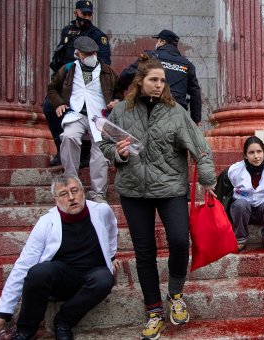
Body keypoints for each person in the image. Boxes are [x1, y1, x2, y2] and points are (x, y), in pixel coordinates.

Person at [99, 54, 217, 340]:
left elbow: (199, 146)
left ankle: (175, 294)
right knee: (145, 251)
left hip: (170, 188)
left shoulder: (176, 111)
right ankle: (153, 310)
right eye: (154, 80)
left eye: (162, 81)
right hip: (134, 190)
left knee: (179, 241)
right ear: (140, 82)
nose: (159, 85)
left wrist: (207, 179)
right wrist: (118, 153)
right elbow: (104, 143)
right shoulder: (120, 113)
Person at [0, 175, 118, 340]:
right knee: (39, 271)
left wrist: (111, 256)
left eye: (75, 191)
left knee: (105, 278)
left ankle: (64, 321)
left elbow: (111, 231)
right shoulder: (46, 222)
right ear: (56, 199)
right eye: (64, 194)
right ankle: (25, 329)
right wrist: (2, 312)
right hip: (61, 279)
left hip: (92, 275)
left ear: (82, 192)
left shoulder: (101, 210)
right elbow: (24, 264)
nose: (72, 197)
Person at [47, 37, 122, 204]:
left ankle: (98, 193)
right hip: (76, 114)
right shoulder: (67, 69)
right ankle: (72, 184)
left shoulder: (108, 71)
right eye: (87, 53)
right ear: (78, 54)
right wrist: (59, 103)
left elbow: (119, 93)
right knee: (69, 137)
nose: (91, 56)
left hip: (100, 116)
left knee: (101, 150)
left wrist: (115, 101)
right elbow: (52, 88)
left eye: (93, 53)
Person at [45, 0, 111, 167]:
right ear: (76, 13)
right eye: (84, 13)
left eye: (89, 14)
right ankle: (62, 149)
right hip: (66, 80)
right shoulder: (68, 31)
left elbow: (104, 64)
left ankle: (85, 152)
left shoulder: (98, 36)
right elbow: (60, 59)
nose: (87, 17)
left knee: (85, 111)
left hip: (88, 83)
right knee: (49, 106)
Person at [118, 29, 203, 123]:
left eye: (157, 40)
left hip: (151, 109)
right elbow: (195, 93)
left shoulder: (150, 56)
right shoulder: (187, 64)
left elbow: (128, 74)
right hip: (177, 113)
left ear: (163, 41)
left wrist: (118, 92)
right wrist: (196, 119)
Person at [223, 136, 264, 252]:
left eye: (259, 151)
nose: (256, 156)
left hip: (262, 210)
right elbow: (224, 193)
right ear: (245, 155)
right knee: (240, 204)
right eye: (251, 152)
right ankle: (240, 239)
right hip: (242, 211)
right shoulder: (234, 171)